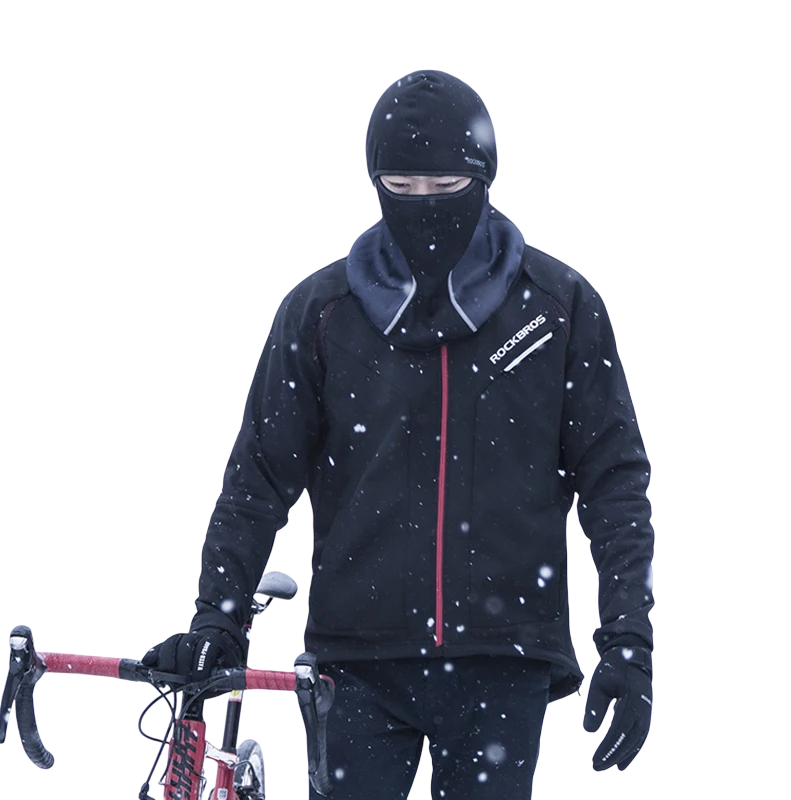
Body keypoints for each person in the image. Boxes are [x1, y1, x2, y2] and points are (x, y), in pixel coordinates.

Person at [144, 69, 655, 797]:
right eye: (400, 186)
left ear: (484, 178)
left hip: (502, 660)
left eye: (446, 186)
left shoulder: (556, 309)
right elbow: (257, 479)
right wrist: (218, 622)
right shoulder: (321, 312)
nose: (424, 204)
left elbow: (614, 484)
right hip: (356, 666)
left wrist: (629, 639)